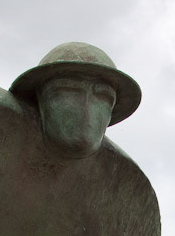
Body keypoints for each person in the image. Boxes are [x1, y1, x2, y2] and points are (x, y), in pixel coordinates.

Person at [10, 41, 141, 159]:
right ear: (39, 99)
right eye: (68, 89)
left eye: (103, 95)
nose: (85, 109)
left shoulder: (123, 178)